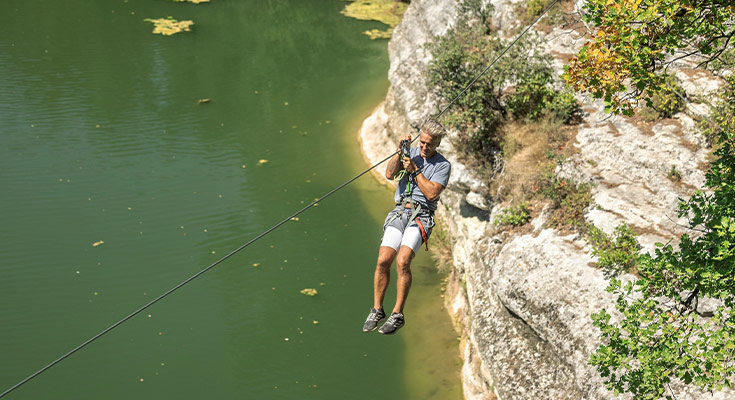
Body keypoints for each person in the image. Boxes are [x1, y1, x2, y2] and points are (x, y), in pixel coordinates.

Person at [362, 118, 451, 334]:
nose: (423, 147)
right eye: (421, 142)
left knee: (402, 261)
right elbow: (390, 174)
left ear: (437, 144)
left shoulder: (443, 165)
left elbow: (431, 193)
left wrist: (415, 171)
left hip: (421, 215)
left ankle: (398, 314)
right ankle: (377, 309)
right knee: (383, 259)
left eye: (429, 144)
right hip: (401, 211)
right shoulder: (410, 153)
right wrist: (398, 152)